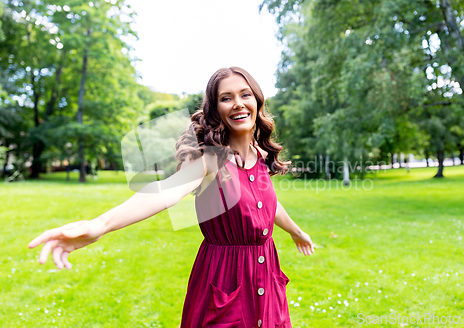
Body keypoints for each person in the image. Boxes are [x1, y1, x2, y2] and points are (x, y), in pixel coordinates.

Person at [28, 67, 315, 327]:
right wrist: (100, 225)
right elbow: (167, 191)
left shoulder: (259, 155)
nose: (238, 103)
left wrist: (297, 231)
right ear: (216, 110)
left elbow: (266, 205)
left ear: (257, 102)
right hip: (225, 279)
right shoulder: (209, 160)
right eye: (226, 98)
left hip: (266, 274)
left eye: (245, 94)